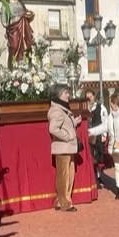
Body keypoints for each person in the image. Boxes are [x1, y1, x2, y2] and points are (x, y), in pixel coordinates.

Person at [48, 84, 81, 212]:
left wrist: (74, 122)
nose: (68, 95)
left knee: (68, 175)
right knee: (64, 176)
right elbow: (53, 129)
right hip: (63, 147)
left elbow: (64, 124)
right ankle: (65, 203)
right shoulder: (56, 110)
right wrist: (67, 137)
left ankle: (61, 200)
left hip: (68, 147)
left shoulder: (62, 109)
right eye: (66, 93)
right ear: (59, 95)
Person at [0, 0, 35, 68]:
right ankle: (14, 66)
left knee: (26, 47)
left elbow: (25, 13)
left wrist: (30, 14)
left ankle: (26, 65)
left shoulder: (20, 3)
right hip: (13, 28)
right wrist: (8, 25)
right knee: (14, 46)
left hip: (23, 27)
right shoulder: (6, 5)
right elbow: (4, 20)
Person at [86, 89, 107, 188]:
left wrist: (104, 134)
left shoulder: (101, 107)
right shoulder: (85, 108)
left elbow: (104, 121)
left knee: (99, 157)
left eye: (91, 97)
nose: (89, 99)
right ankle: (94, 178)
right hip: (88, 135)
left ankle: (99, 177)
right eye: (88, 97)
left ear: (94, 97)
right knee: (91, 157)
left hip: (98, 135)